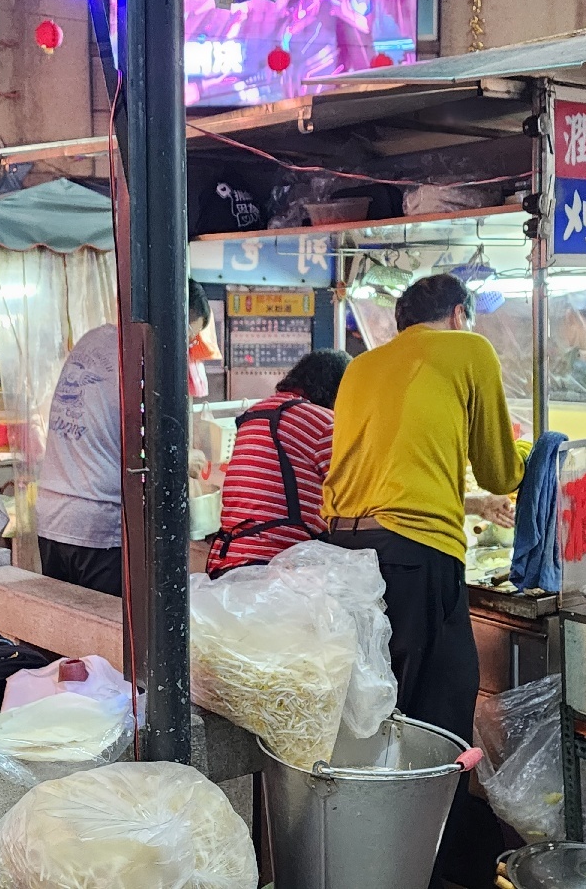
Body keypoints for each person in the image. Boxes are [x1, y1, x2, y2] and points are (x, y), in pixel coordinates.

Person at [322, 273, 526, 889]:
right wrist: (536, 456)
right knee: (437, 714)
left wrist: (462, 502)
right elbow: (498, 469)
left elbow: (392, 475)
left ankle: (370, 857)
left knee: (372, 713)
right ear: (460, 314)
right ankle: (428, 872)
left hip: (345, 553)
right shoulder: (469, 351)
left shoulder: (362, 366)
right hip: (416, 558)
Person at [36, 282, 213, 597]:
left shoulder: (92, 341)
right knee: (108, 636)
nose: (186, 347)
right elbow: (153, 450)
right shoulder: (146, 357)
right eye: (189, 337)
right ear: (175, 318)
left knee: (63, 631)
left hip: (52, 517)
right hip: (99, 525)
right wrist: (184, 460)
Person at [207, 349, 352, 576]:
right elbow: (352, 490)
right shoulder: (322, 422)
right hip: (280, 566)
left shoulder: (256, 412)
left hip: (229, 557)